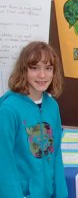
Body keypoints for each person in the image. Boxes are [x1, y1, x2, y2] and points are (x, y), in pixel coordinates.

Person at [0, 41, 68, 198]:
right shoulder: (8, 110)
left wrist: (61, 194)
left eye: (48, 68)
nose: (42, 75)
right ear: (23, 70)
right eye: (34, 68)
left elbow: (56, 153)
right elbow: (3, 163)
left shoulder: (52, 106)